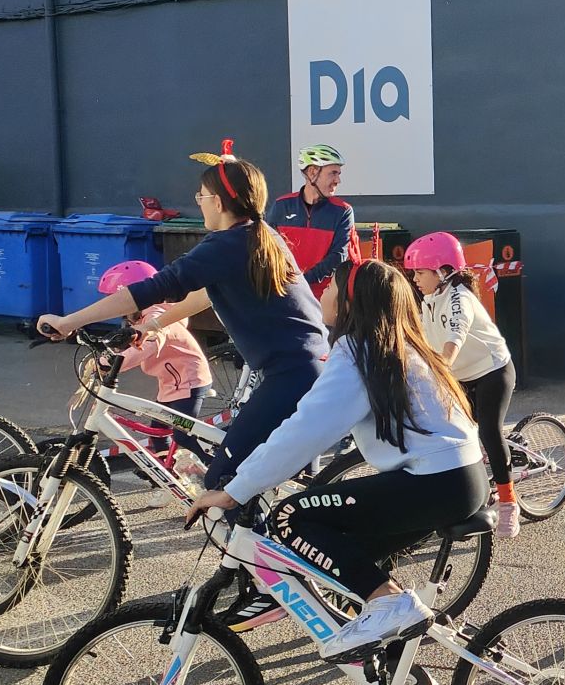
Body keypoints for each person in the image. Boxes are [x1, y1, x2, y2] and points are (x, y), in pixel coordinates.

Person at [188, 260, 485, 671]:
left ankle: (390, 602)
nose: (321, 293)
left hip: (437, 482)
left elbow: (306, 430)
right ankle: (396, 678)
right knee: (347, 565)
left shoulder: (360, 352)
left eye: (330, 287)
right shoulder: (401, 346)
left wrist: (235, 489)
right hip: (460, 480)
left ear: (349, 301)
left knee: (291, 517)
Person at [41, 144, 328, 504]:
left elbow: (149, 289)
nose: (199, 202)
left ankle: (249, 541)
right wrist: (151, 327)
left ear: (218, 202)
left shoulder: (226, 245)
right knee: (278, 479)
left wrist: (69, 321)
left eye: (201, 195)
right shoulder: (258, 235)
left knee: (224, 479)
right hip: (309, 365)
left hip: (290, 374)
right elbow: (203, 296)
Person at [403, 231, 520, 538]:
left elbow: (454, 339)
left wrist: (439, 371)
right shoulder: (429, 300)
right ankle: (474, 494)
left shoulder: (459, 298)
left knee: (489, 432)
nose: (415, 279)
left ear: (443, 271)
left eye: (420, 272)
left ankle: (508, 504)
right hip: (461, 376)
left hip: (492, 370)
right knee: (455, 434)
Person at [97, 260, 216, 462]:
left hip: (189, 381)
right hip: (172, 382)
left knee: (183, 435)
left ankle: (219, 467)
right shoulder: (140, 317)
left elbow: (149, 344)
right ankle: (166, 468)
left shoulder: (156, 316)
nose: (120, 311)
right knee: (158, 432)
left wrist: (112, 362)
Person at [270, 144, 360, 297]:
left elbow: (338, 257)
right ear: (312, 172)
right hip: (285, 294)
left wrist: (302, 282)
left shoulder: (343, 211)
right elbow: (266, 248)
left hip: (324, 299)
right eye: (333, 173)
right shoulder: (281, 205)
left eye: (338, 174)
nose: (338, 180)